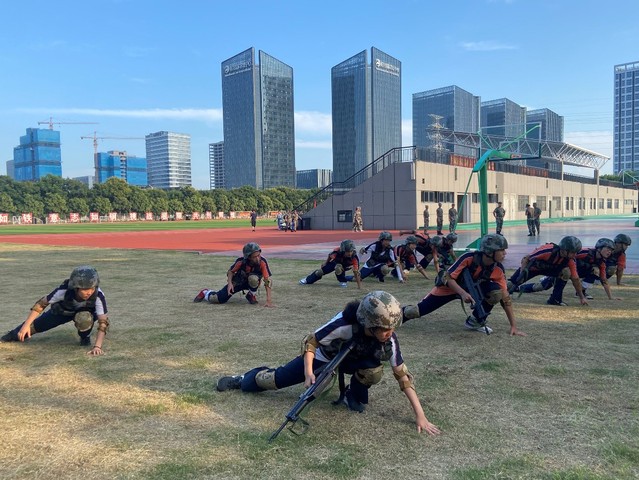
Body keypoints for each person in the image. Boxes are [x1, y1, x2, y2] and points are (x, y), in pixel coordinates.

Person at [216, 291, 441, 435]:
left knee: (373, 371)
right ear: (368, 323)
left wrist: (420, 415)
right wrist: (308, 372)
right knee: (277, 379)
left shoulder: (388, 338)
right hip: (324, 357)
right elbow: (311, 342)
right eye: (384, 328)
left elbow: (402, 376)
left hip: (354, 362)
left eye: (392, 328)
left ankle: (352, 395)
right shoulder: (343, 325)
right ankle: (243, 379)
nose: (389, 333)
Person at [402, 234, 525, 336]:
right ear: (489, 251)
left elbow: (505, 297)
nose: (505, 253)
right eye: (502, 250)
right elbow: (447, 277)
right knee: (414, 312)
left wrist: (513, 326)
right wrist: (462, 293)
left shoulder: (498, 269)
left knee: (496, 293)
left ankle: (475, 321)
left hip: (472, 289)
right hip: (449, 288)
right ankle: (395, 315)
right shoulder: (469, 258)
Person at [0, 266, 109, 356]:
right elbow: (40, 304)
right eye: (85, 289)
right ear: (75, 287)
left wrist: (97, 346)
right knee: (25, 331)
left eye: (92, 288)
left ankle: (85, 337)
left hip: (85, 315)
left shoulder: (98, 295)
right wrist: (26, 325)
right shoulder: (64, 290)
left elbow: (103, 322)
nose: (89, 292)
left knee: (84, 318)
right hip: (62, 312)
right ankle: (9, 336)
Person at [508, 236, 587, 306]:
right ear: (564, 250)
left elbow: (575, 279)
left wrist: (582, 297)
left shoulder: (570, 260)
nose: (575, 255)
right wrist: (522, 274)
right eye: (573, 252)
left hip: (550, 271)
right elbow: (526, 259)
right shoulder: (547, 250)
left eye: (576, 252)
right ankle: (513, 289)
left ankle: (555, 299)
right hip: (533, 269)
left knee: (566, 272)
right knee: (509, 285)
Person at [194, 242, 273, 307]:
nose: (258, 258)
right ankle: (205, 292)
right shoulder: (240, 262)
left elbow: (267, 281)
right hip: (238, 282)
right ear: (248, 257)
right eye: (254, 257)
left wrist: (268, 300)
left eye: (258, 255)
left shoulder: (262, 262)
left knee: (253, 279)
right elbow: (230, 272)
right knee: (217, 299)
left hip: (251, 283)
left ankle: (251, 295)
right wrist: (230, 284)